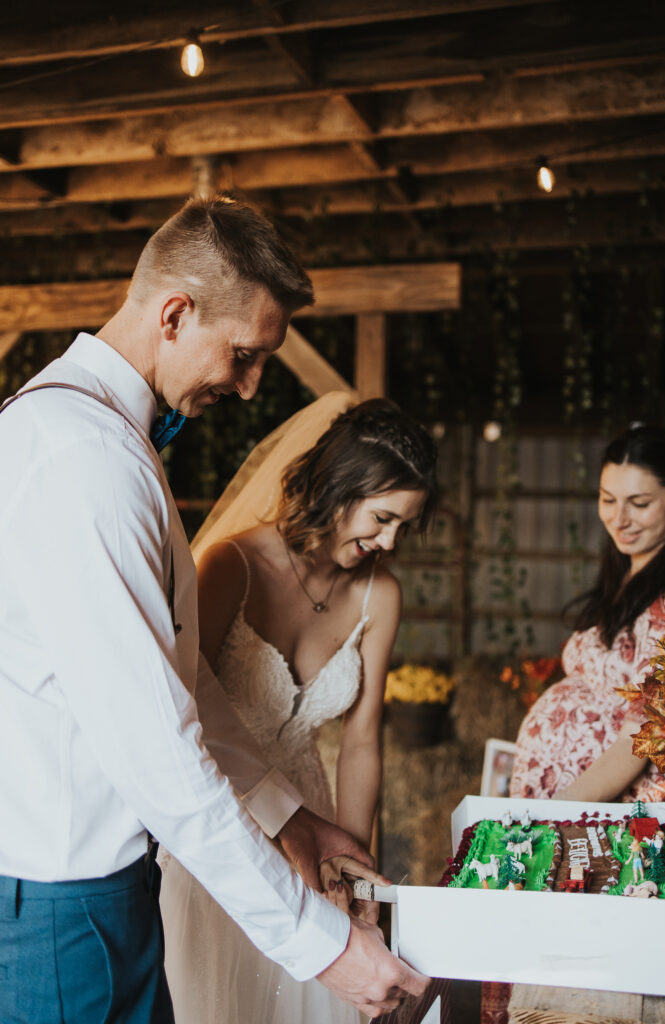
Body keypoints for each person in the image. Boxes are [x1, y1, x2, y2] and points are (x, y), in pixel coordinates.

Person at [0, 194, 429, 1023]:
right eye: (242, 355)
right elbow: (154, 745)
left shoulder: (110, 441)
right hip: (60, 903)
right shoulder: (83, 459)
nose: (249, 385)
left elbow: (180, 675)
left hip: (107, 894)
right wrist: (326, 947)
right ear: (174, 312)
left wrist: (289, 815)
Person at [160, 395, 439, 1024]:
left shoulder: (381, 594)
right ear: (341, 490)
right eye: (383, 517)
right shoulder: (233, 564)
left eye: (405, 526)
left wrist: (355, 870)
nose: (390, 540)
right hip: (225, 816)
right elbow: (183, 701)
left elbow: (363, 740)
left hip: (313, 814)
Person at [510, 424, 665, 804]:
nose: (619, 519)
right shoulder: (626, 578)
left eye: (639, 503)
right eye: (608, 499)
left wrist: (556, 812)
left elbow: (643, 738)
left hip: (606, 816)